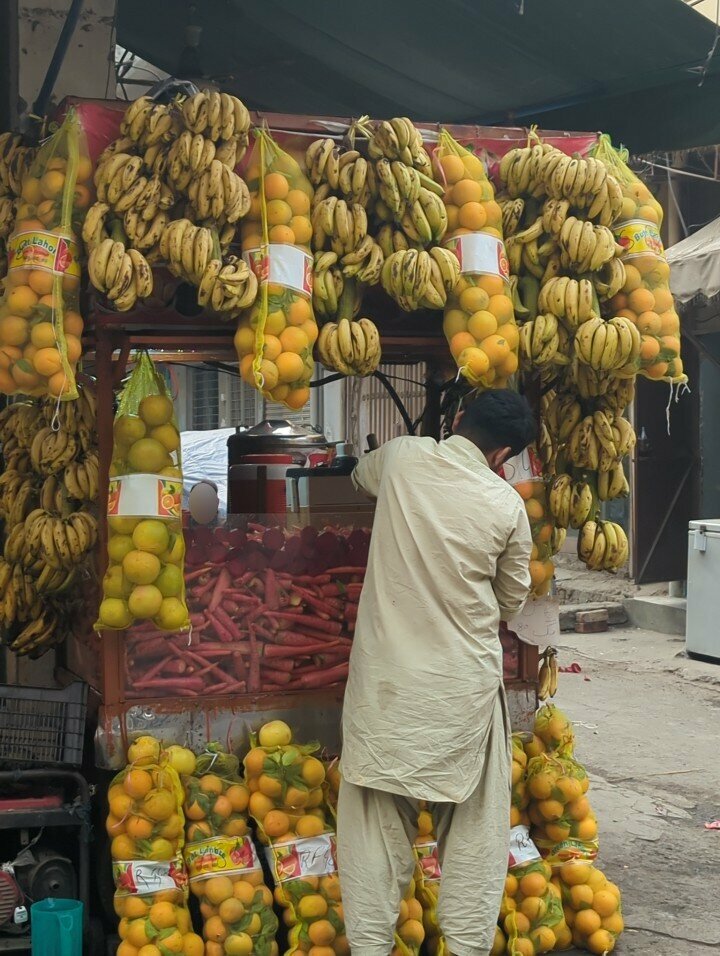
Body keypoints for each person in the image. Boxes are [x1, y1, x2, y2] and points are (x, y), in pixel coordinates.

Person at [337, 388, 537, 956]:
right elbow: (511, 600)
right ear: (504, 456)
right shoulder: (506, 506)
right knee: (475, 835)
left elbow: (358, 477)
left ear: (457, 419)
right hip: (461, 695)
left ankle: (371, 947)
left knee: (372, 834)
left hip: (386, 692)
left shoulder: (402, 458)